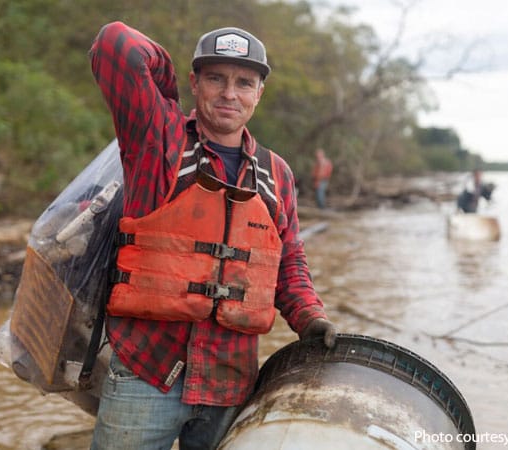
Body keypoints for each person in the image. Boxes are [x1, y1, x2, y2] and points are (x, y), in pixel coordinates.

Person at [88, 22, 337, 449]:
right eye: (215, 78)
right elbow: (116, 45)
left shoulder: (277, 174)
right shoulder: (158, 140)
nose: (229, 93)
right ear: (195, 83)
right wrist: (167, 90)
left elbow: (288, 262)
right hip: (146, 373)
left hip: (231, 384)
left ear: (259, 93)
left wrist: (310, 318)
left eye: (244, 82)